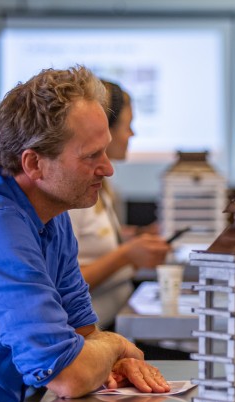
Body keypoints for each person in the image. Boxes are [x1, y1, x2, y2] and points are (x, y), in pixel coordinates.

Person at [0, 65, 171, 402]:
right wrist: (113, 346)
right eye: (91, 155)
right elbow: (69, 373)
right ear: (34, 163)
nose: (108, 168)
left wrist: (101, 351)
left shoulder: (50, 218)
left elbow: (82, 337)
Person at [68, 79, 170, 330]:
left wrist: (136, 237)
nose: (132, 134)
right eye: (128, 125)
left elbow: (93, 241)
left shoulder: (104, 190)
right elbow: (62, 282)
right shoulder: (72, 195)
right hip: (90, 332)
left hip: (112, 321)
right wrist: (126, 255)